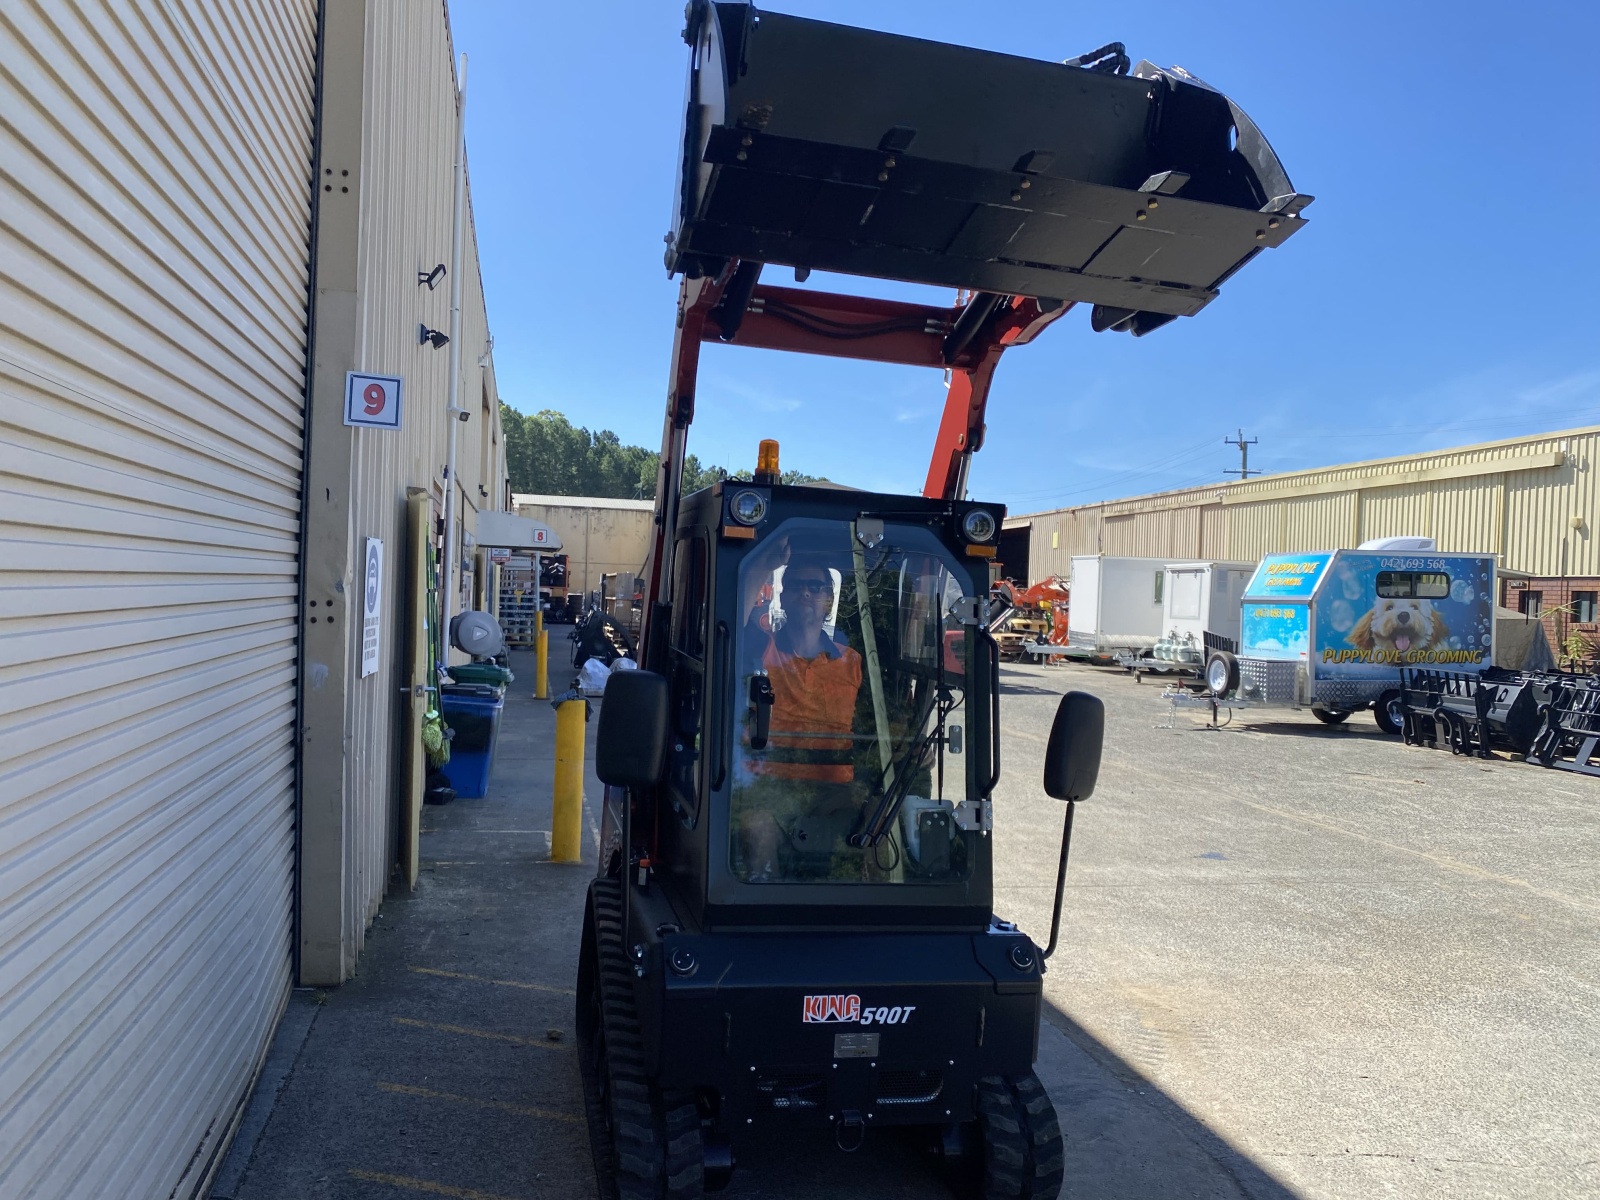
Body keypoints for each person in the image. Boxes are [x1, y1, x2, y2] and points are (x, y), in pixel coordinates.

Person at [735, 551, 865, 878]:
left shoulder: (853, 663)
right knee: (757, 829)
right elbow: (733, 617)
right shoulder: (758, 649)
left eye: (815, 587)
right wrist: (766, 563)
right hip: (768, 787)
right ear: (782, 596)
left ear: (829, 600)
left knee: (879, 832)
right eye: (796, 585)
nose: (806, 592)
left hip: (835, 793)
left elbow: (876, 723)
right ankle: (763, 905)